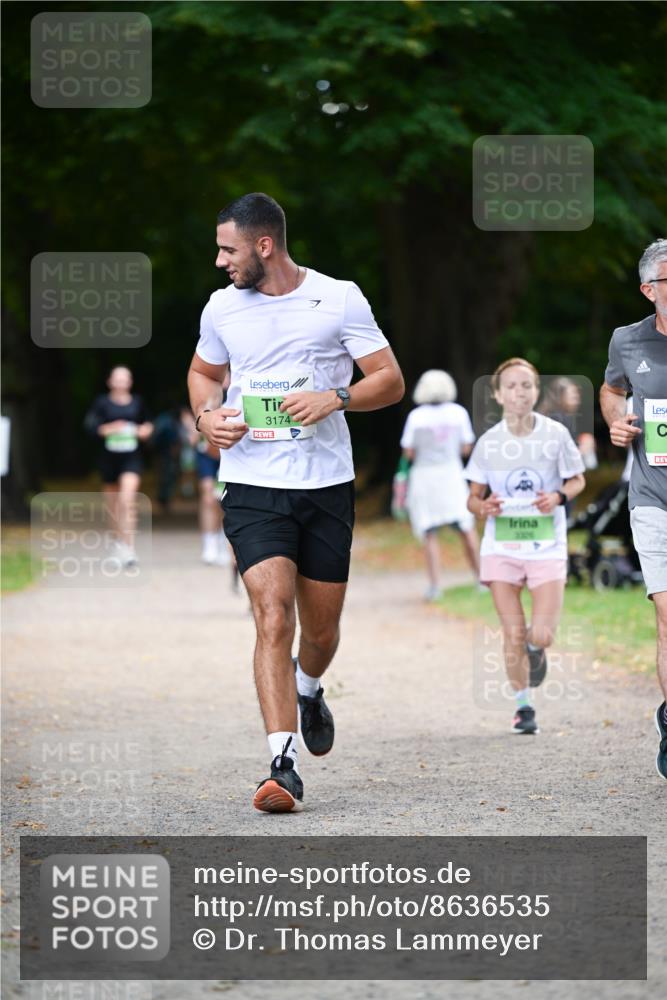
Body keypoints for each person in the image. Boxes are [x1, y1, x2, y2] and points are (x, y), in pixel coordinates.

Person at [187, 192, 404, 812]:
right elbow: (203, 374)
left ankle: (309, 687)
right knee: (272, 616)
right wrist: (207, 417)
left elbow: (389, 380)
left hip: (324, 484)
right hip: (253, 483)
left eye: (228, 249)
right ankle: (282, 764)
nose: (220, 261)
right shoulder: (222, 307)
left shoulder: (339, 297)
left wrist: (336, 397)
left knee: (321, 629)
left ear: (264, 245)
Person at [465, 358, 585, 735]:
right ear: (499, 394)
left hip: (546, 545)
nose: (520, 392)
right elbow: (471, 497)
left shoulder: (555, 435)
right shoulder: (489, 442)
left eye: (528, 385)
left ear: (536, 391)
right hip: (501, 548)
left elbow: (578, 480)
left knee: (542, 634)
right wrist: (482, 507)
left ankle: (537, 650)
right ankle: (523, 706)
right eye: (512, 386)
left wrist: (558, 497)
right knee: (513, 630)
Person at [600, 237, 667, 780]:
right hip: (653, 498)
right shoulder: (628, 341)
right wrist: (616, 421)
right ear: (649, 290)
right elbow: (609, 389)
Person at [399, 369, 479, 600]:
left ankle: (435, 585)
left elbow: (409, 451)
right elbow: (466, 447)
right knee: (466, 527)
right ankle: (481, 578)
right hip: (452, 474)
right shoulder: (458, 413)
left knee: (429, 531)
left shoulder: (416, 416)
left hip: (425, 477)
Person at [84, 366, 153, 566]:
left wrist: (143, 430)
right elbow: (91, 427)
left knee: (127, 500)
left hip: (131, 458)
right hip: (108, 459)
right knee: (113, 506)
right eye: (118, 379)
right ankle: (117, 544)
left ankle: (129, 548)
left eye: (125, 379)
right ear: (110, 381)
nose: (121, 382)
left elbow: (148, 424)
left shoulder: (138, 402)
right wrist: (110, 428)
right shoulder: (102, 403)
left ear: (130, 382)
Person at [539, 377, 598, 470]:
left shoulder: (545, 417)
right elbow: (561, 457)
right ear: (559, 396)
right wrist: (584, 448)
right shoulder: (560, 419)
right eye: (573, 396)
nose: (578, 401)